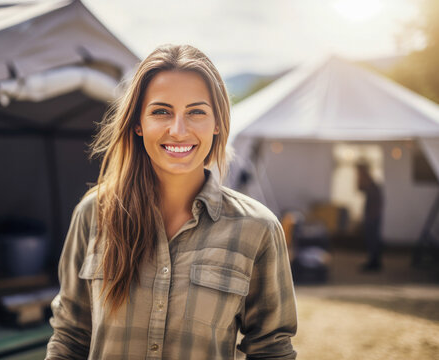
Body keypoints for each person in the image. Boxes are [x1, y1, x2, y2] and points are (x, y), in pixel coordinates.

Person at [45, 44, 297, 359]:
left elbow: (272, 349)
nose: (178, 130)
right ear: (138, 123)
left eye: (196, 112)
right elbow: (70, 337)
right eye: (161, 111)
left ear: (217, 124)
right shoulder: (92, 214)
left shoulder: (258, 229)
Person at [356, 160, 384, 272]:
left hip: (373, 216)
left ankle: (375, 263)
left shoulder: (372, 184)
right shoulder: (370, 183)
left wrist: (372, 216)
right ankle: (373, 261)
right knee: (371, 239)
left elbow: (377, 203)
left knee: (373, 240)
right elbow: (359, 188)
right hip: (372, 216)